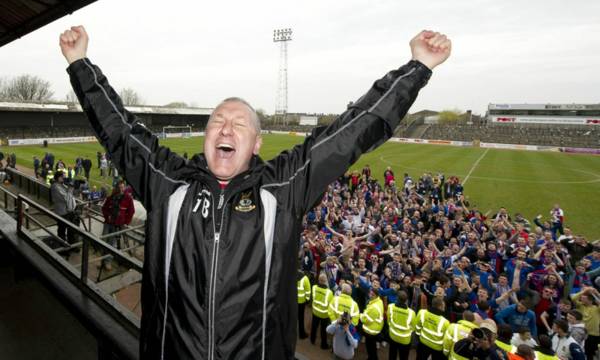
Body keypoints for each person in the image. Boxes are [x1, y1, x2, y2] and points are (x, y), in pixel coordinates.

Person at [60, 25, 451, 359]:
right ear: (207, 135)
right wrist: (80, 63)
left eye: (239, 123)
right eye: (218, 121)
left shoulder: (283, 188)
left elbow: (350, 132)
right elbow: (120, 131)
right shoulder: (169, 183)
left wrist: (416, 68)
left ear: (257, 144)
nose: (226, 128)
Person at [387, 290, 416, 360]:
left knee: (392, 355)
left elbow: (389, 321)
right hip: (405, 339)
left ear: (397, 298)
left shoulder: (390, 307)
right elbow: (413, 327)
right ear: (406, 301)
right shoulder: (411, 313)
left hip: (393, 336)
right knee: (403, 357)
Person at [50, 171, 77, 244]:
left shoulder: (62, 185)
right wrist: (70, 188)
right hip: (62, 213)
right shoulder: (55, 187)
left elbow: (71, 195)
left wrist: (74, 186)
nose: (65, 178)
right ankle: (62, 247)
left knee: (71, 229)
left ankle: (71, 244)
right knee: (62, 230)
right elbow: (66, 198)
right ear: (58, 178)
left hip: (69, 211)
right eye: (63, 177)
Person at [360, 286, 384, 360]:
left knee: (370, 347)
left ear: (376, 295)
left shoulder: (374, 307)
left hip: (371, 331)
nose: (370, 295)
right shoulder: (379, 301)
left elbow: (365, 320)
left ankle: (372, 358)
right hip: (375, 328)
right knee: (372, 347)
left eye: (372, 294)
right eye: (370, 293)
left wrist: (360, 315)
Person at [310, 273, 333, 349]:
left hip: (315, 311)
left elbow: (313, 297)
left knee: (314, 327)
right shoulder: (329, 292)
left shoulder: (314, 287)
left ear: (319, 280)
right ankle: (323, 345)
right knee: (323, 330)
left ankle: (312, 340)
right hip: (324, 314)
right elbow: (331, 304)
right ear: (326, 281)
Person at [296, 270, 311, 339]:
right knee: (301, 318)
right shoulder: (305, 278)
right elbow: (308, 291)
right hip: (301, 302)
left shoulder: (292, 276)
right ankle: (301, 334)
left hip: (293, 301)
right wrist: (307, 300)